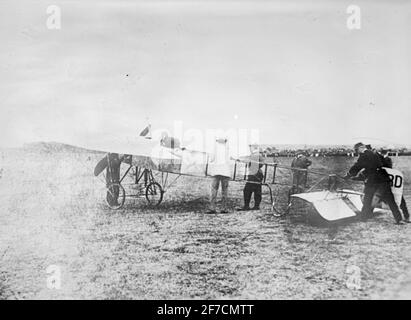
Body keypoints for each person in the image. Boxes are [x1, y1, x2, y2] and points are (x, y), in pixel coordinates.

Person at [345, 142, 404, 224]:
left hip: (373, 180)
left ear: (361, 147)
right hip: (383, 178)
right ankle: (399, 219)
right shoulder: (374, 153)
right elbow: (373, 166)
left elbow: (357, 166)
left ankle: (363, 217)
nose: (356, 152)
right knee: (390, 200)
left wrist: (349, 175)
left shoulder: (364, 155)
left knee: (367, 198)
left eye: (356, 149)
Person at [378, 149, 410, 223]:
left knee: (392, 200)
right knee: (399, 198)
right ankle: (407, 216)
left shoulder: (385, 160)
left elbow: (385, 167)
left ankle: (400, 219)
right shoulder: (387, 159)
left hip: (387, 182)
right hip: (393, 181)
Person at [207, 137, 231, 213]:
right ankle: (224, 208)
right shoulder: (228, 149)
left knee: (214, 190)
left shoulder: (215, 149)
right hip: (225, 172)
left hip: (216, 172)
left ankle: (212, 208)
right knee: (224, 191)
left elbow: (211, 159)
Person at [238, 145, 264, 211]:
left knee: (248, 190)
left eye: (251, 147)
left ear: (254, 148)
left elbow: (261, 164)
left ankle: (248, 206)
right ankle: (256, 206)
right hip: (255, 173)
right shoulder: (256, 155)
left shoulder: (256, 155)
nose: (250, 149)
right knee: (256, 190)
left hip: (255, 174)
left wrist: (252, 164)